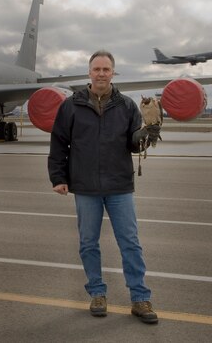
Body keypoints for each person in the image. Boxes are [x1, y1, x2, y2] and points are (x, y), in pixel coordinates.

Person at [47, 50, 158, 324]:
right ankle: (97, 293)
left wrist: (148, 132)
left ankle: (140, 298)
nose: (101, 74)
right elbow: (59, 142)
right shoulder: (71, 105)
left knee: (130, 243)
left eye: (106, 69)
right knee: (88, 243)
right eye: (96, 69)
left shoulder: (127, 106)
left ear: (113, 73)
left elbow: (133, 143)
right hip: (85, 186)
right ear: (89, 72)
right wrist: (58, 177)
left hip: (120, 185)